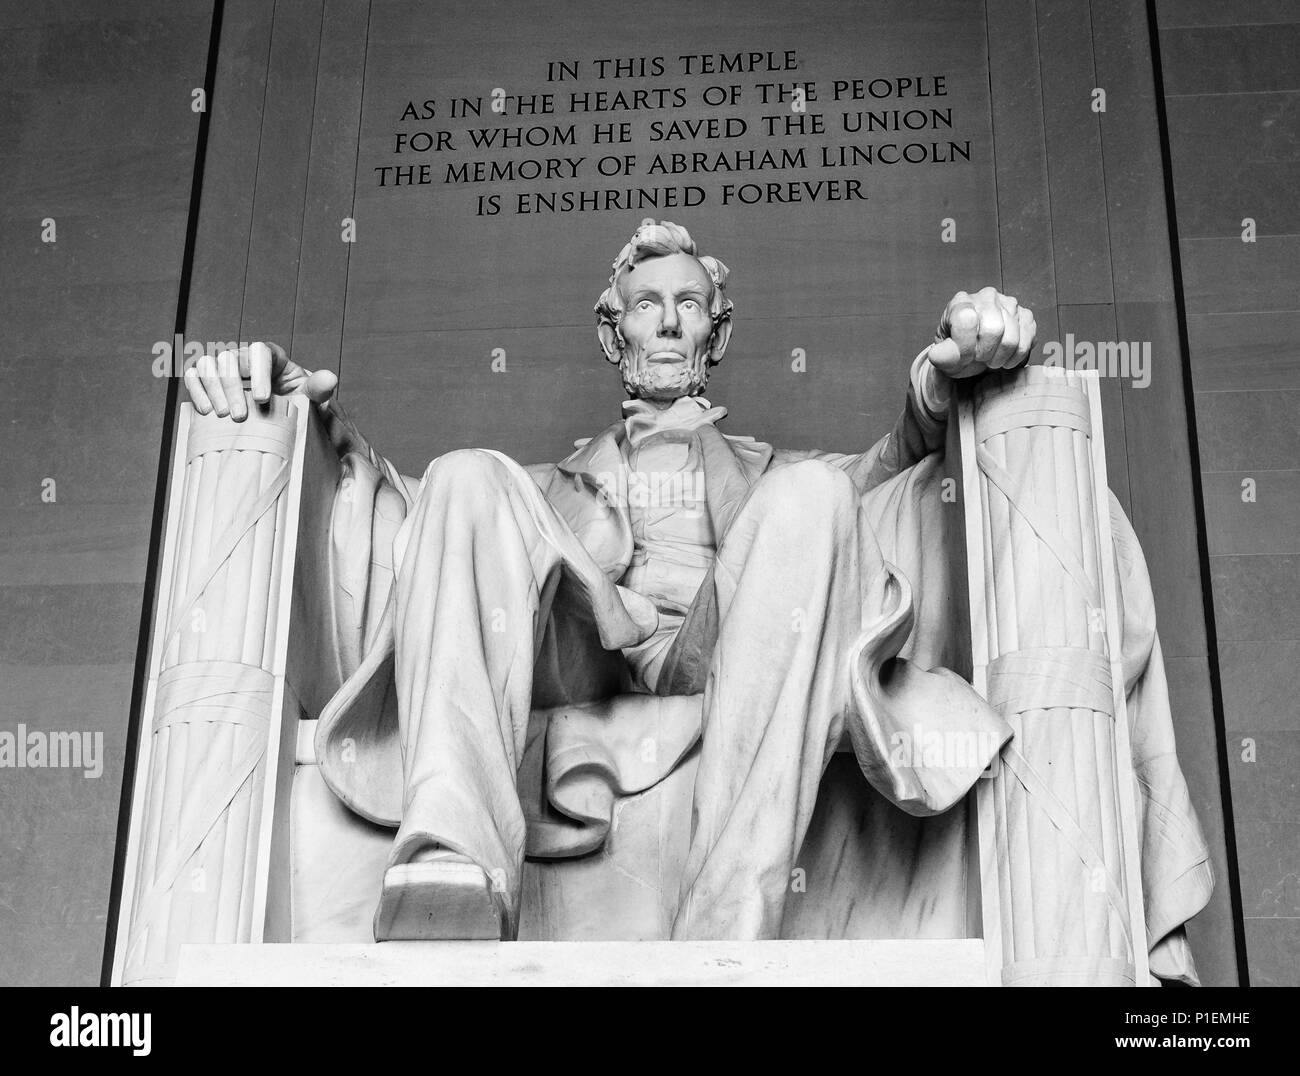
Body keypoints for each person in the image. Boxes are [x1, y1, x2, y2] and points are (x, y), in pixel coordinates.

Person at [184, 223, 1208, 979]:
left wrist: (937, 393)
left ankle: (728, 919)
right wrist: (298, 422)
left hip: (726, 640)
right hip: (579, 632)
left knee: (811, 500)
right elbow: (402, 524)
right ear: (610, 331)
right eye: (645, 302)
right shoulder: (543, 484)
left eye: (687, 304)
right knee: (460, 472)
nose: (666, 319)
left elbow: (884, 487)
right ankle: (453, 860)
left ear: (717, 332)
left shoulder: (773, 471)